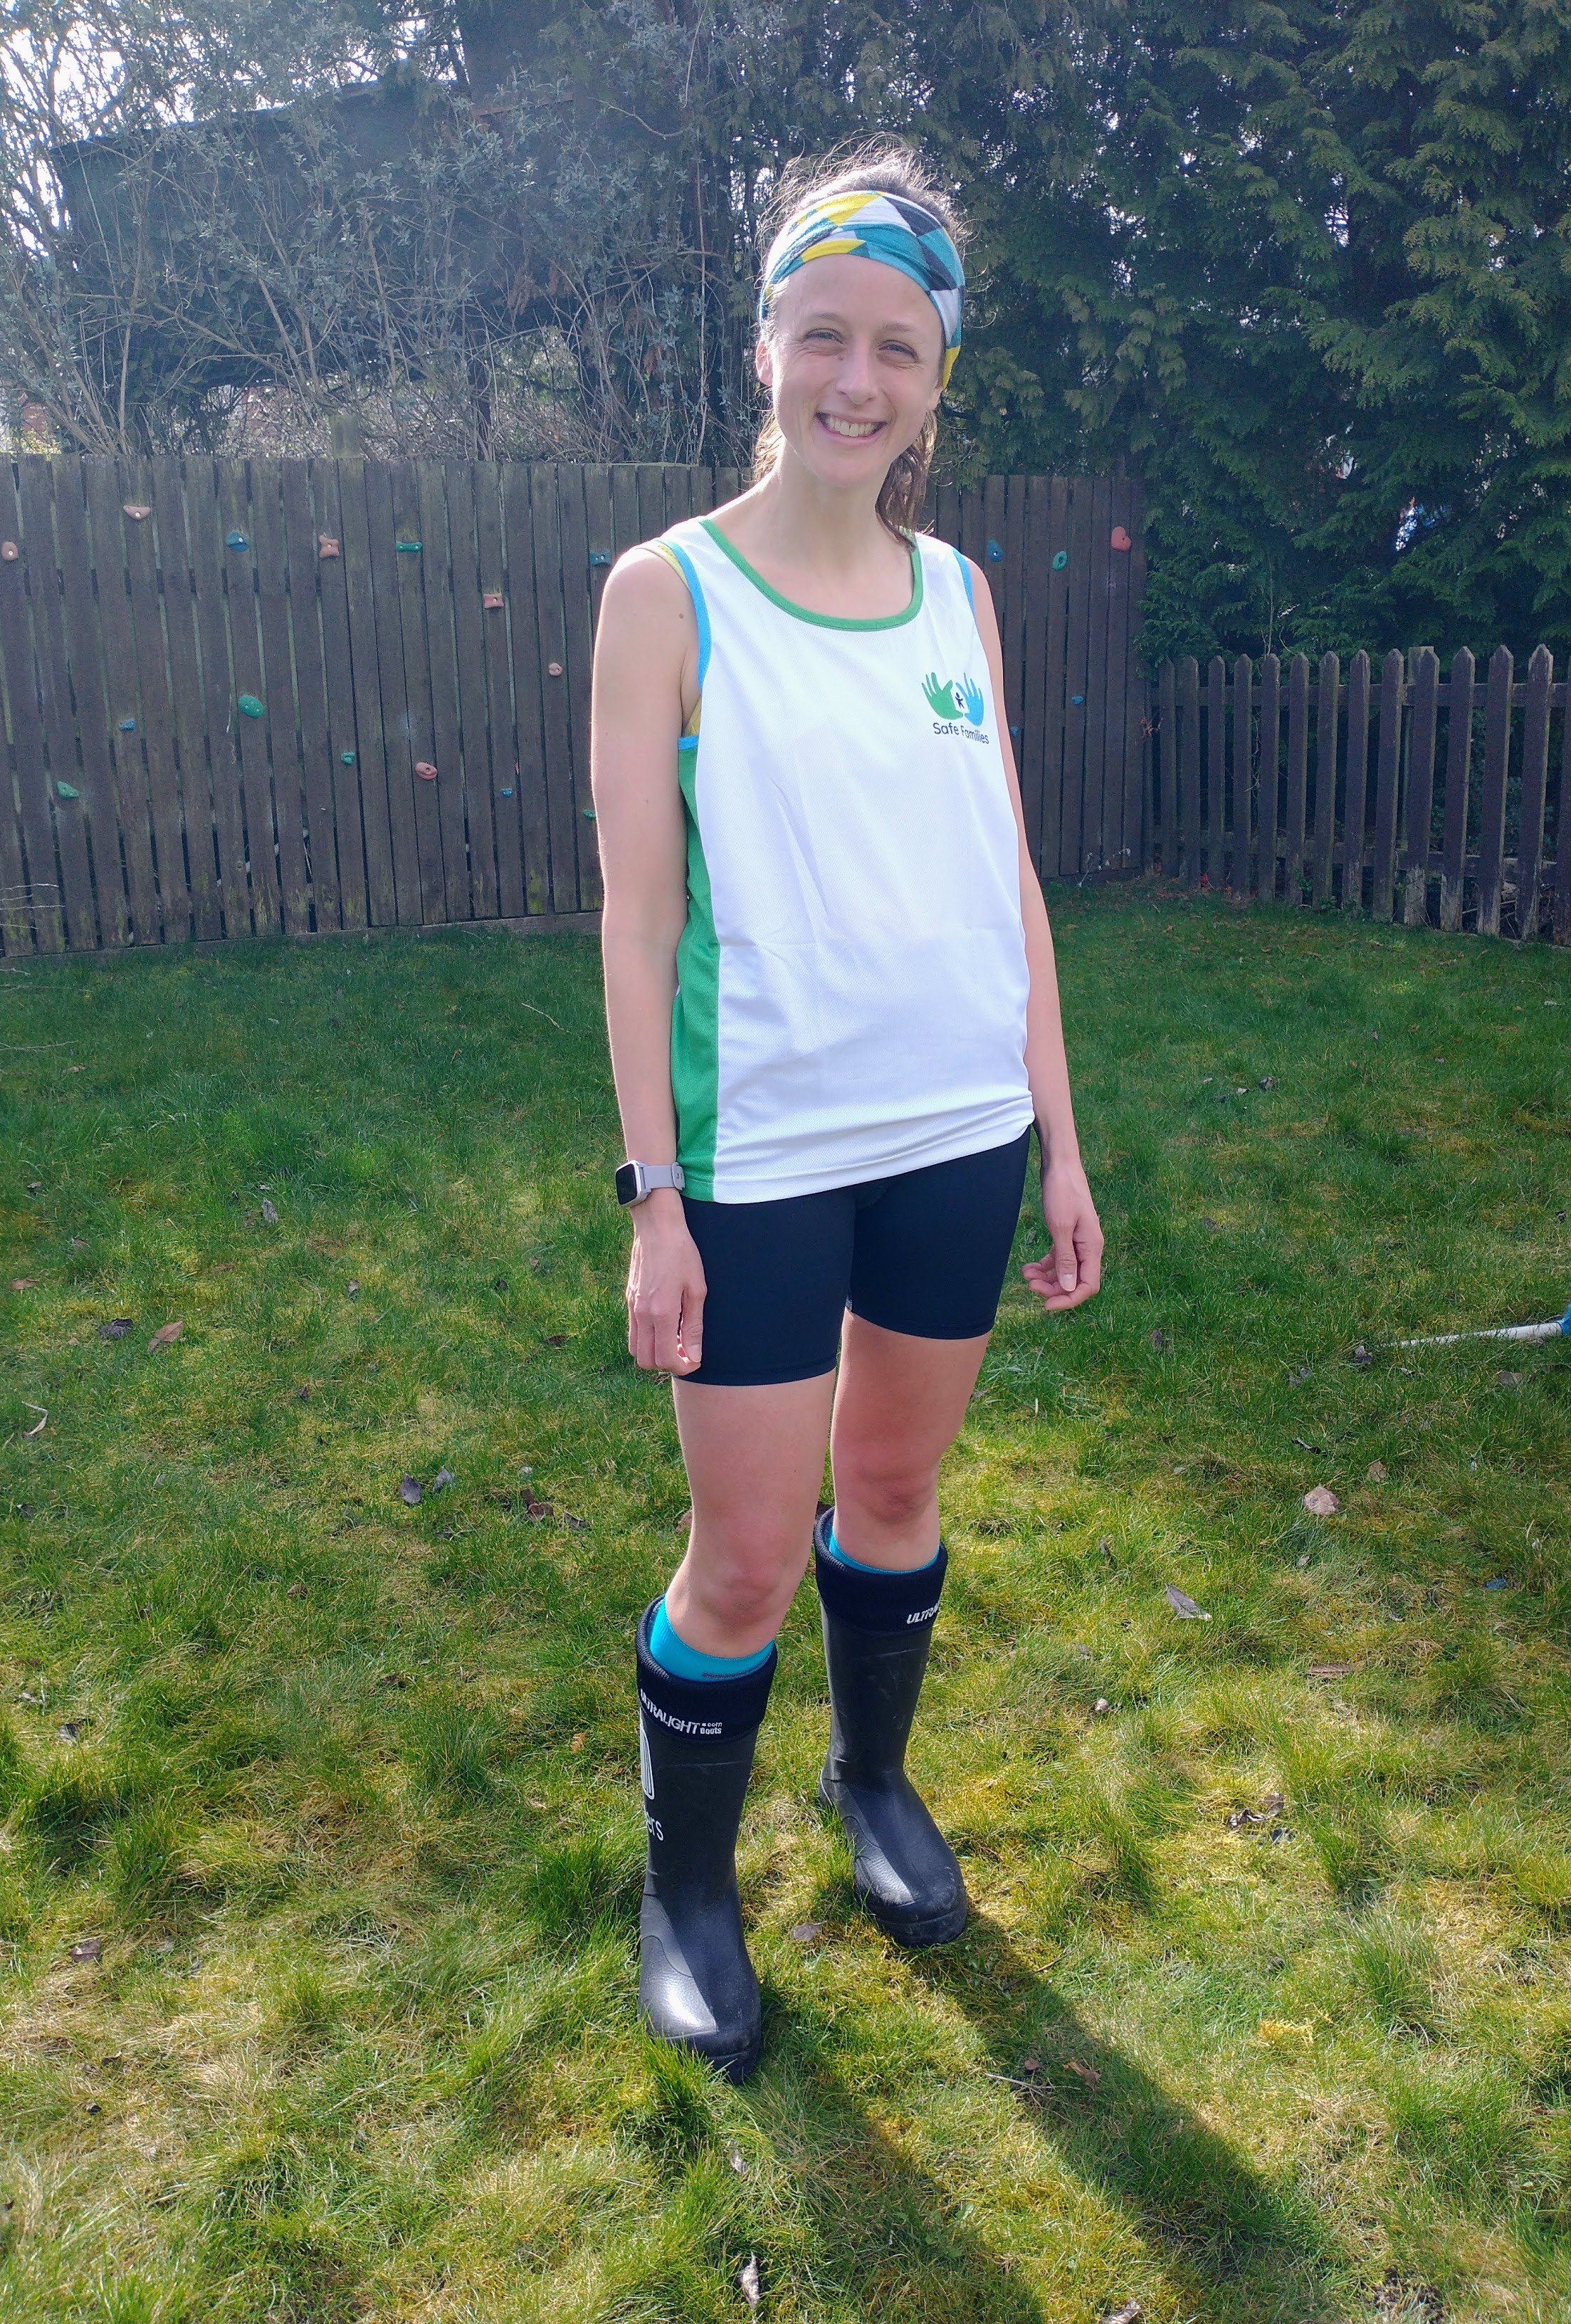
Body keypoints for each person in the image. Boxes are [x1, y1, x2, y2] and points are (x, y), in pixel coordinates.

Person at [590, 143, 1103, 2083]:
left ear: (936, 380)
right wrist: (654, 1193)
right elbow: (639, 914)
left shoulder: (960, 591)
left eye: (899, 346)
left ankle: (874, 1789)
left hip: (958, 1135)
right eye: (826, 335)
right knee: (739, 1557)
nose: (858, 378)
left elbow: (1011, 879)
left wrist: (1057, 1136)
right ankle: (691, 1895)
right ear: (768, 347)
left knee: (891, 1496)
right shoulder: (668, 593)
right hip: (760, 1164)